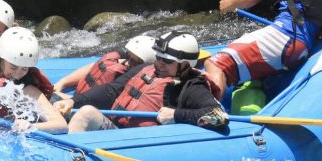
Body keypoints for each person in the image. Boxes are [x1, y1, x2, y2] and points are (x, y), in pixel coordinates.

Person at [53, 31, 227, 133]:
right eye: (158, 57)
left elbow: (219, 116)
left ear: (185, 65)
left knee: (87, 114)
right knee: (56, 100)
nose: (158, 63)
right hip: (116, 129)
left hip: (136, 140)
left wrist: (175, 115)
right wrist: (71, 101)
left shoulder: (190, 86)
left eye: (166, 61)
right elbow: (111, 91)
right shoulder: (147, 69)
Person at [0, 27, 68, 134]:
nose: (17, 74)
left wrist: (31, 126)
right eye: (13, 67)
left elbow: (61, 125)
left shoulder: (27, 89)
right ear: (1, 58)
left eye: (24, 69)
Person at [52, 35, 157, 99]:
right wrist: (63, 82)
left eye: (134, 61)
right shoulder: (122, 62)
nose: (127, 62)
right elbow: (94, 67)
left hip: (86, 106)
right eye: (128, 56)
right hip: (78, 98)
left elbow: (101, 99)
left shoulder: (128, 82)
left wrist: (64, 98)